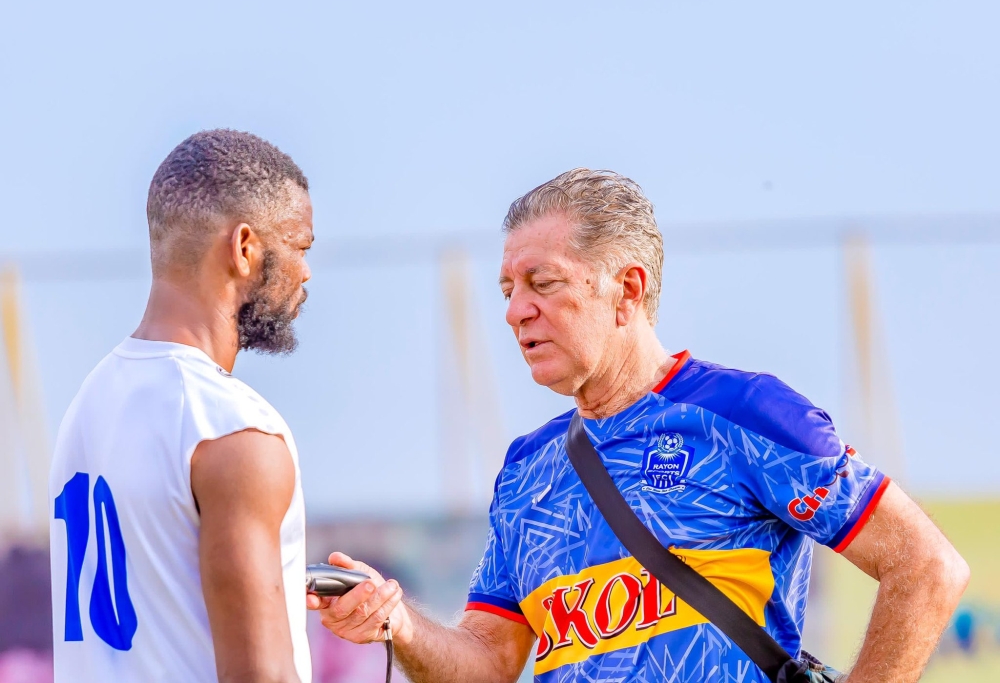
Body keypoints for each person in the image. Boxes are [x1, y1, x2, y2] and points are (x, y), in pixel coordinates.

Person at [311, 169, 970, 683]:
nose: (515, 311)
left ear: (628, 289)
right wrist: (395, 620)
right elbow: (487, 662)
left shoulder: (742, 415)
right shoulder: (526, 469)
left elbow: (926, 567)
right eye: (507, 288)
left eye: (542, 282)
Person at [49, 129, 314, 683]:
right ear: (245, 248)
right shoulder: (232, 429)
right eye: (300, 245)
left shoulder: (89, 404)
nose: (306, 272)